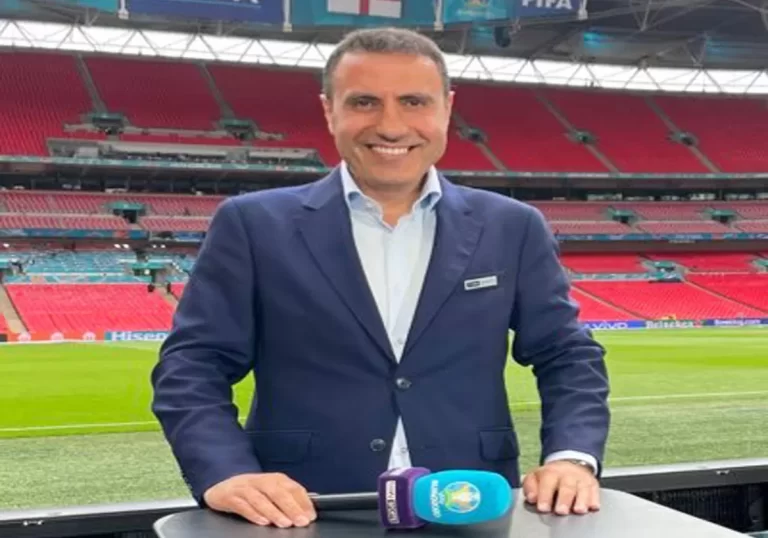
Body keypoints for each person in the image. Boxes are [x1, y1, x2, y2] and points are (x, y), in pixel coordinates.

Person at [151, 27, 610, 529]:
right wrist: (226, 471)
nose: (391, 126)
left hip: (467, 507)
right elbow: (193, 365)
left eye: (414, 101)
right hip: (300, 512)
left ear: (446, 108)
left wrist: (572, 457)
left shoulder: (512, 226)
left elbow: (566, 354)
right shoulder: (253, 224)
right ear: (330, 110)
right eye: (364, 102)